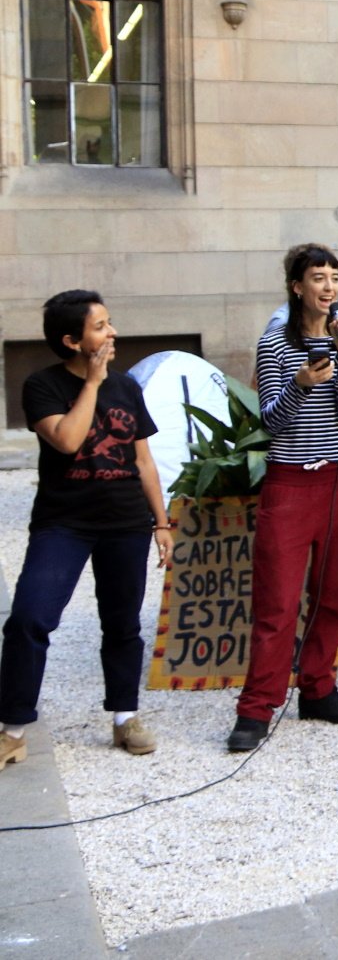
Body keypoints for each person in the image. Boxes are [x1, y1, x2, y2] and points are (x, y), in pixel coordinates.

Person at [2, 292, 174, 768]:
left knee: (121, 625)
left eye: (109, 322)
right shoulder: (41, 386)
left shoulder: (127, 388)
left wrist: (161, 523)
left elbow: (143, 461)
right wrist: (94, 383)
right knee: (29, 618)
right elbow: (68, 439)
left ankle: (124, 718)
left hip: (125, 524)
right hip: (64, 524)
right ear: (72, 340)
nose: (112, 333)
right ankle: (13, 728)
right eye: (101, 327)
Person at [231, 247, 338, 752]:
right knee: (277, 600)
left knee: (336, 592)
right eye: (318, 278)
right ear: (296, 287)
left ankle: (318, 688)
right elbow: (272, 421)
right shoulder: (275, 345)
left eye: (334, 278)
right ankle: (256, 707)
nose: (329, 288)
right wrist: (300, 383)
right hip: (291, 481)